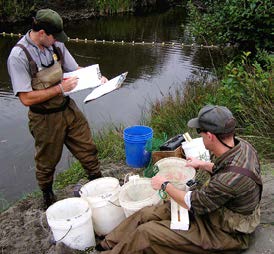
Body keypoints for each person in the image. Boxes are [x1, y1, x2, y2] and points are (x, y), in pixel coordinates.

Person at [96, 105, 262, 253]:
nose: (200, 136)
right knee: (146, 213)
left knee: (147, 233)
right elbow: (231, 171)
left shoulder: (227, 180)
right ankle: (106, 244)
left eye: (200, 132)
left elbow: (194, 203)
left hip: (227, 232)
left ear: (210, 136)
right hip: (216, 210)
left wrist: (164, 185)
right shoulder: (244, 147)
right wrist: (204, 164)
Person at [7, 9, 106, 208]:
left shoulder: (56, 44)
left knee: (87, 147)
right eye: (54, 36)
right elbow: (26, 98)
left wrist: (97, 78)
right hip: (44, 118)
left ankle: (98, 181)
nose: (57, 41)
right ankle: (48, 195)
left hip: (68, 108)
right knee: (47, 161)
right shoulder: (18, 56)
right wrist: (60, 88)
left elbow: (75, 70)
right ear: (42, 33)